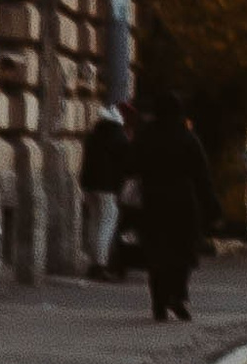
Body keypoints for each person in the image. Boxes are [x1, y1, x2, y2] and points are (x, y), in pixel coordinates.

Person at [130, 94, 219, 325]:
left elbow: (132, 164)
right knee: (184, 251)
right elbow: (202, 175)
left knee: (156, 252)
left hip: (152, 201)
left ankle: (159, 303)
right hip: (182, 202)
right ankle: (177, 294)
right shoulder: (187, 138)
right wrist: (212, 206)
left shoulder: (146, 136)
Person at [77, 100, 130, 278]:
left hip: (89, 185)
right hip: (108, 188)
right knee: (107, 223)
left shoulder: (92, 136)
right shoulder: (120, 138)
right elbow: (125, 165)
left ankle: (93, 262)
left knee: (93, 222)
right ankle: (100, 264)